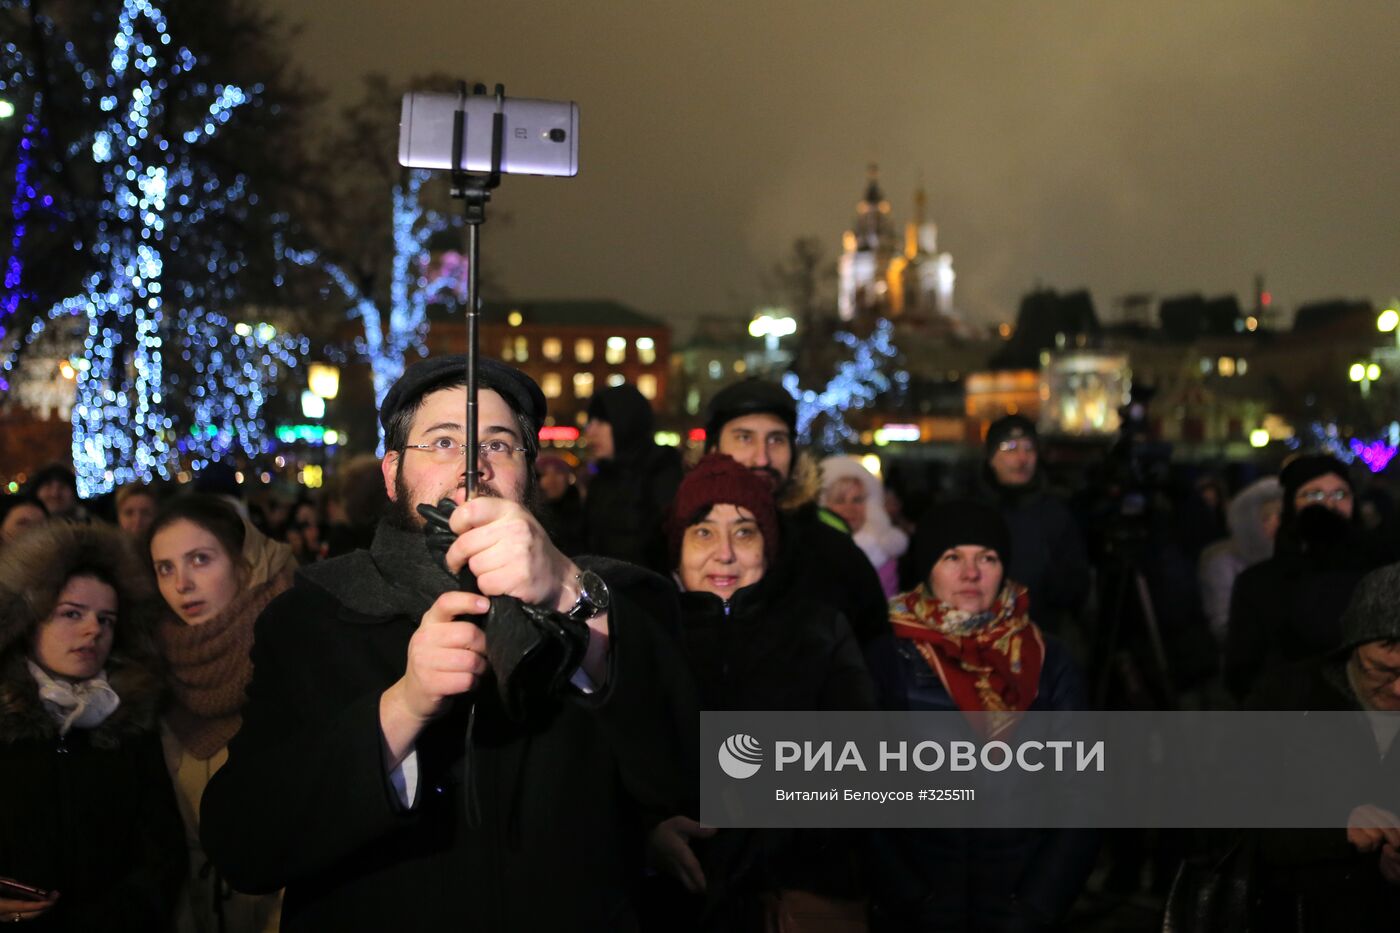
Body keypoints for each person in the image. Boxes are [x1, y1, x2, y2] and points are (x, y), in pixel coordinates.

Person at [199, 355, 697, 932]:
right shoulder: (313, 614)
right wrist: (401, 709)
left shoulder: (614, 598)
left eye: (500, 445)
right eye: (441, 442)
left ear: (530, 472)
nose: (471, 467)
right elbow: (243, 844)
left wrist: (568, 592)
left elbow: (689, 772)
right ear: (392, 474)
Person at [652, 453, 875, 930]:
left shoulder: (819, 630)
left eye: (745, 531)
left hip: (794, 895)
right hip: (673, 904)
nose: (726, 552)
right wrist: (645, 830)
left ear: (768, 547)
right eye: (704, 531)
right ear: (677, 548)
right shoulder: (644, 636)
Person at [870, 499, 1097, 930]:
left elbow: (1083, 794)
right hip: (920, 910)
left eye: (986, 558)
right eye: (952, 557)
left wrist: (1037, 906)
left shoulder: (1049, 659)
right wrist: (909, 899)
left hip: (1020, 903)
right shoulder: (888, 659)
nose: (970, 573)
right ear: (928, 567)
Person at [0, 522, 185, 929]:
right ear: (30, 619)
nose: (93, 630)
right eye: (71, 613)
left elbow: (161, 855)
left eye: (107, 619)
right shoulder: (6, 720)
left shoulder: (129, 720)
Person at [149, 494, 296, 933]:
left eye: (200, 559)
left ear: (243, 563)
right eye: (165, 568)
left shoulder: (298, 656)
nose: (182, 585)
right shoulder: (150, 676)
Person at [703, 379, 899, 705]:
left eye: (776, 440)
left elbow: (879, 670)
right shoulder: (675, 544)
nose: (761, 458)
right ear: (712, 447)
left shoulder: (836, 555)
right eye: (743, 438)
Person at [1241, 562, 1400, 927]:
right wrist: (1329, 830)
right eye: (1381, 669)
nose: (1397, 690)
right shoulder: (1285, 699)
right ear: (1352, 646)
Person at [1225, 453, 1389, 702]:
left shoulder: (1381, 573)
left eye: (1340, 494)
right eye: (1313, 495)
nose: (1330, 505)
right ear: (1291, 504)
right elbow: (1242, 672)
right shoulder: (1259, 583)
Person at [971, 415, 1089, 633]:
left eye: (1029, 448)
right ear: (990, 456)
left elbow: (1076, 583)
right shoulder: (970, 511)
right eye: (1010, 447)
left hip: (1042, 634)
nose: (1022, 458)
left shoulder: (1055, 513)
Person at [582, 382, 683, 573]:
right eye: (590, 422)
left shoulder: (663, 473)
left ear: (626, 422)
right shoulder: (601, 479)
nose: (590, 431)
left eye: (601, 422)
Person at [1197, 477, 1282, 645]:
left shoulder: (1289, 554)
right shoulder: (1222, 561)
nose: (1276, 523)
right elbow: (1224, 626)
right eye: (1265, 518)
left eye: (1281, 515)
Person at [820, 456, 909, 597]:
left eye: (857, 500)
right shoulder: (812, 551)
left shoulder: (884, 554)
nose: (849, 508)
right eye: (839, 500)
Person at [536, 454, 586, 556]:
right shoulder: (531, 515)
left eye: (558, 472)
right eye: (544, 473)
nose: (552, 479)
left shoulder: (585, 512)